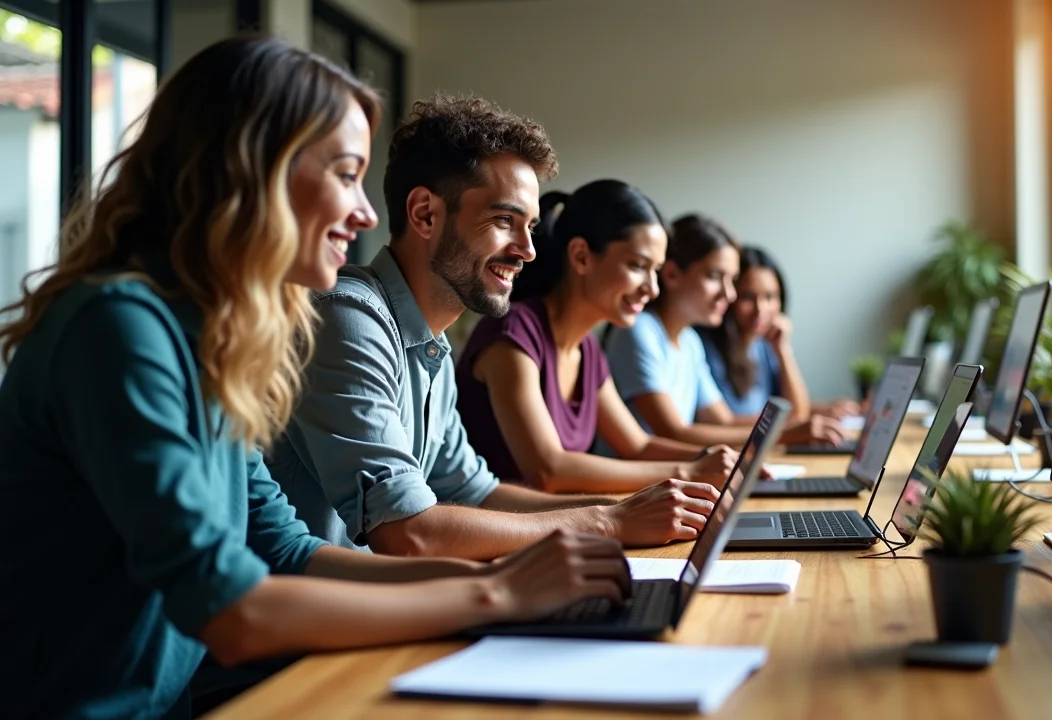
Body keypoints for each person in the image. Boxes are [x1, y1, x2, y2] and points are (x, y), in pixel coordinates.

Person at [0, 37, 629, 719]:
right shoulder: (117, 329)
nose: (364, 213)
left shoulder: (212, 342)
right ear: (254, 172)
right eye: (346, 174)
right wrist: (495, 594)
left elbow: (290, 550)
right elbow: (232, 608)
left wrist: (501, 576)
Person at [267, 95, 719, 562]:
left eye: (531, 227)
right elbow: (407, 533)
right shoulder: (348, 318)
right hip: (309, 623)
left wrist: (629, 510)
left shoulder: (429, 344)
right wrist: (610, 523)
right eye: (504, 220)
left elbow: (476, 492)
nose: (528, 250)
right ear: (424, 214)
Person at [455, 181, 739, 494]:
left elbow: (638, 446)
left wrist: (720, 460)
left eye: (655, 270)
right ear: (581, 256)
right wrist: (691, 470)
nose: (653, 288)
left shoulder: (587, 350)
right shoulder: (514, 333)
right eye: (638, 266)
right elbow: (549, 469)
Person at [604, 215, 846, 448]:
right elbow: (673, 432)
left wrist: (794, 427)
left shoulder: (689, 342)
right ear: (671, 274)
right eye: (715, 276)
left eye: (731, 280)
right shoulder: (639, 330)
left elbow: (724, 421)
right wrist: (784, 433)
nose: (729, 294)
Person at [699, 246, 859, 421]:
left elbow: (796, 410)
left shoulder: (763, 346)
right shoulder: (707, 349)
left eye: (769, 297)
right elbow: (793, 415)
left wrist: (783, 350)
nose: (760, 310)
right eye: (747, 297)